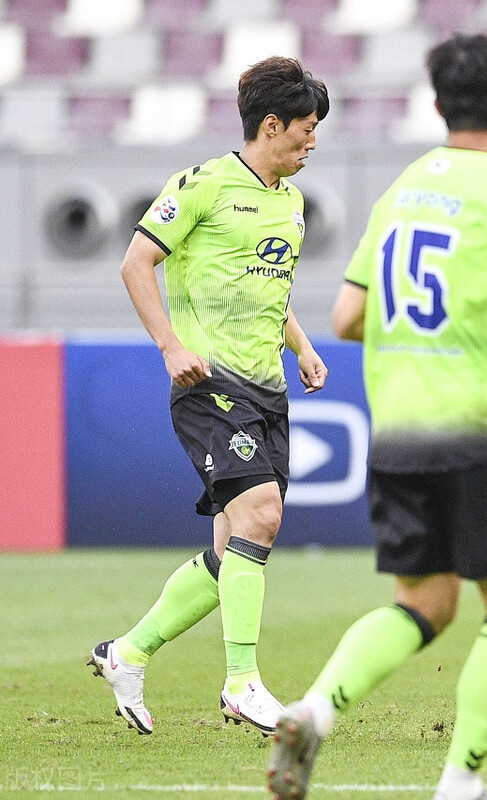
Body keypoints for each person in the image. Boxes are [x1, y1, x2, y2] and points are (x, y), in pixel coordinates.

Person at [266, 32, 487, 800]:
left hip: (398, 434)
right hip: (481, 430)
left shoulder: (402, 190)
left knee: (422, 602)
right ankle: (461, 780)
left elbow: (347, 316)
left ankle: (316, 708)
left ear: (436, 104)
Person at [86, 56, 330, 736]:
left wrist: (302, 346)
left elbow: (263, 288)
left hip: (269, 390)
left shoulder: (292, 200)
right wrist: (171, 347)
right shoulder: (202, 185)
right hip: (209, 385)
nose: (313, 141)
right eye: (306, 128)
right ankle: (243, 682)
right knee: (262, 513)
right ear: (272, 125)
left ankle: (126, 654)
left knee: (232, 552)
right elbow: (137, 262)